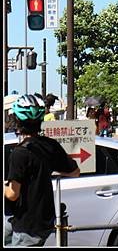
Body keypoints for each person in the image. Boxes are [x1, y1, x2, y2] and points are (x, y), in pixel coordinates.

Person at [4, 94, 80, 246]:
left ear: (17, 121)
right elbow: (74, 172)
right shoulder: (50, 145)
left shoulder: (19, 153)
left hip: (27, 223)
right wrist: (48, 168)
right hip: (40, 218)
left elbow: (13, 194)